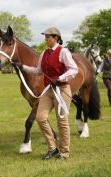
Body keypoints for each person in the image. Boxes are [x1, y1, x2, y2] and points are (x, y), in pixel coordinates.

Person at [22, 27, 78, 160]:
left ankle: (64, 152)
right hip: (49, 90)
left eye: (48, 37)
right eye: (45, 37)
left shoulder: (63, 51)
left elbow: (74, 69)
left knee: (62, 121)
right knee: (40, 117)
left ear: (56, 37)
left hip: (62, 89)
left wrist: (60, 78)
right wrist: (22, 67)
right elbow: (38, 71)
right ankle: (52, 147)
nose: (46, 39)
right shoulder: (44, 53)